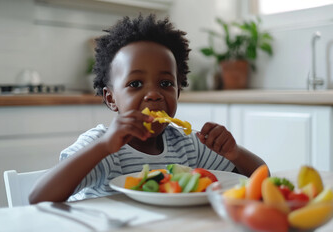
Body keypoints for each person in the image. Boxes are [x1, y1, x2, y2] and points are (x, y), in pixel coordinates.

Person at [29, 14, 267, 204]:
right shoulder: (102, 145)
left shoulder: (188, 145)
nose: (153, 94)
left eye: (165, 84)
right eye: (135, 84)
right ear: (111, 98)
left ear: (178, 92)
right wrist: (102, 147)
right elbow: (39, 197)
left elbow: (263, 179)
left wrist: (234, 153)